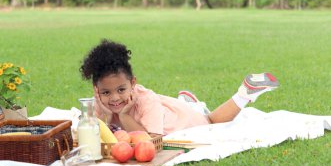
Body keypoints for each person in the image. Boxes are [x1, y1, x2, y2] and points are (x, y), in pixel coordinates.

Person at [80, 39, 279, 136]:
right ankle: (190, 104)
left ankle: (245, 93)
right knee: (193, 111)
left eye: (121, 90)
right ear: (97, 90)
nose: (114, 98)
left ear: (133, 83)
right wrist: (104, 117)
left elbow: (150, 142)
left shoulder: (145, 100)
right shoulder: (99, 103)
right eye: (106, 92)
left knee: (210, 121)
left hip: (179, 123)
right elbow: (98, 134)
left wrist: (124, 116)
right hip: (168, 111)